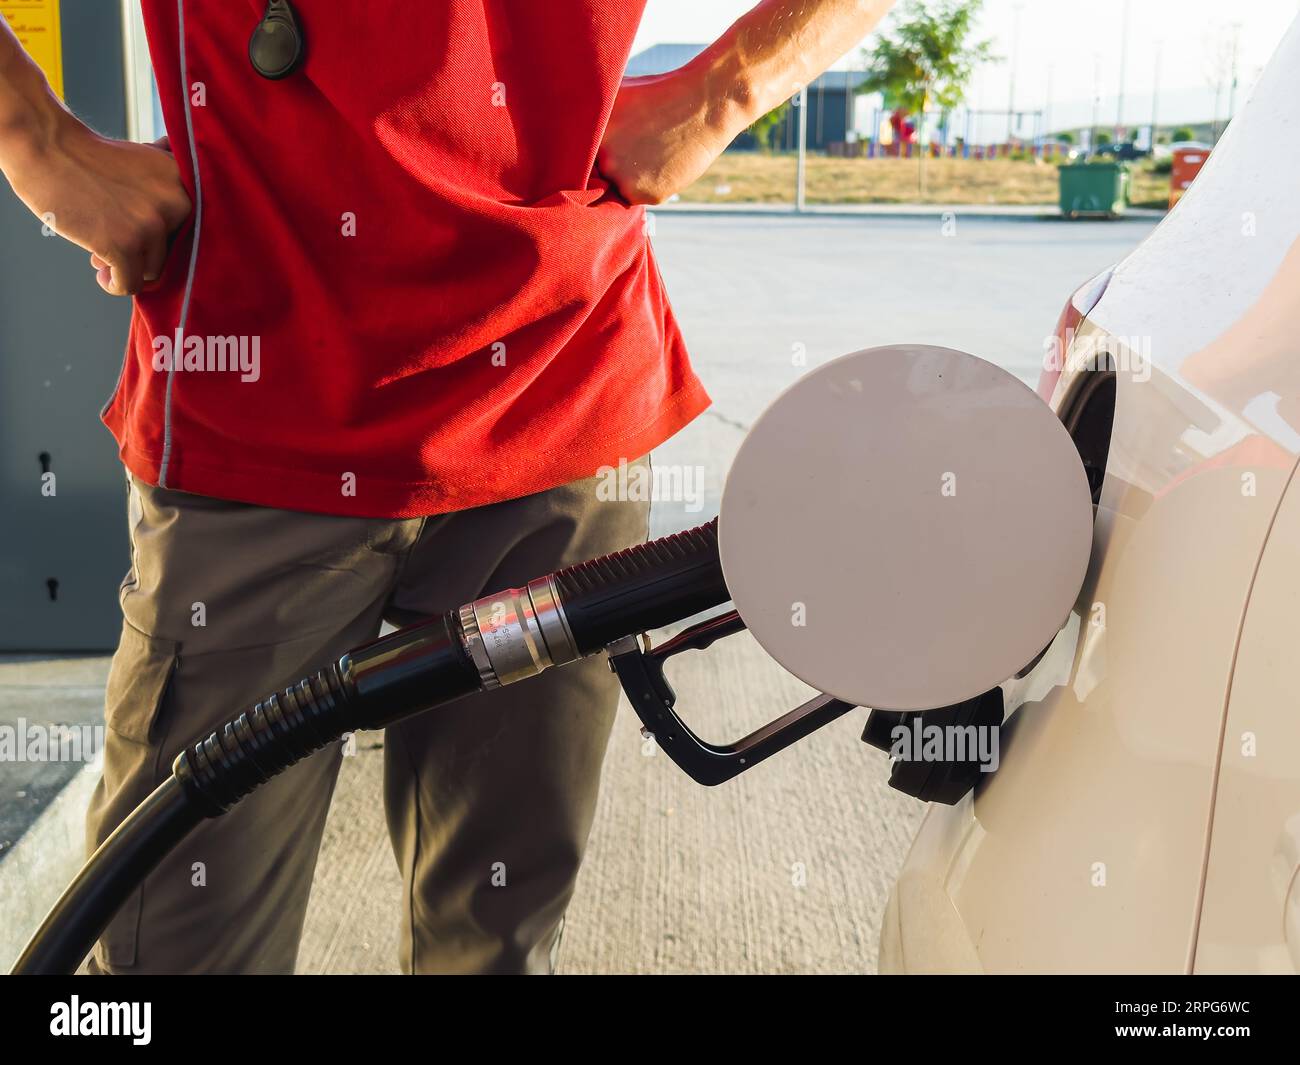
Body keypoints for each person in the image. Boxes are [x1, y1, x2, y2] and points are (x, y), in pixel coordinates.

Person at [0, 0, 893, 974]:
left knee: (493, 940)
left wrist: (723, 89)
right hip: (262, 395)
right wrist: (32, 137)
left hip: (558, 383)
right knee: (167, 954)